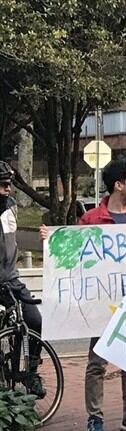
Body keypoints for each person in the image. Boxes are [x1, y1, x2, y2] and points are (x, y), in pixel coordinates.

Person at [40, 161, 126, 431]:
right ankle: (95, 418)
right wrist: (51, 240)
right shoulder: (92, 219)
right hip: (102, 302)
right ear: (118, 185)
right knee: (97, 361)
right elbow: (73, 253)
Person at [0, 161, 44, 398]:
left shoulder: (11, 207)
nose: (7, 189)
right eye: (3, 185)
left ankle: (30, 373)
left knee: (34, 320)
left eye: (9, 184)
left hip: (11, 278)